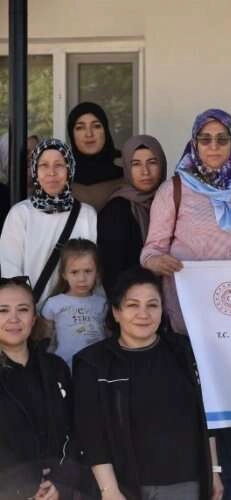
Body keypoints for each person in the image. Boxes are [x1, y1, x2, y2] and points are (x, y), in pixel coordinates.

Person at [140, 108, 231, 499]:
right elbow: (150, 250)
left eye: (222, 139)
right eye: (205, 139)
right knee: (199, 411)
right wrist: (159, 262)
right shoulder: (174, 190)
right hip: (190, 322)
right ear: (194, 143)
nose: (214, 146)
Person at [73, 267, 223, 500]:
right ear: (116, 312)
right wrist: (109, 490)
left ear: (162, 310)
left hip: (183, 482)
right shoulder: (93, 362)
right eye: (133, 305)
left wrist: (214, 470)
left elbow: (207, 415)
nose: (143, 314)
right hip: (123, 487)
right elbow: (91, 432)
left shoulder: (183, 351)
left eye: (152, 305)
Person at [0, 276, 73, 500]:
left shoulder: (56, 368)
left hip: (59, 489)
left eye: (23, 309)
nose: (13, 318)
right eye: (3, 310)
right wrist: (24, 485)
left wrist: (60, 483)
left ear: (33, 318)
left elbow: (74, 429)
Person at [0, 139, 97, 305]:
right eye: (44, 165)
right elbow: (11, 271)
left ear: (70, 169)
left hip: (73, 313)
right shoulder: (21, 214)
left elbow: (91, 269)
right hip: (32, 312)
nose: (51, 172)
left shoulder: (86, 214)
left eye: (59, 165)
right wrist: (28, 311)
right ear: (35, 170)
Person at [98, 135, 167, 295]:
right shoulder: (116, 209)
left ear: (162, 164)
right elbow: (112, 272)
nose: (145, 171)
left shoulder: (172, 202)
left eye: (152, 162)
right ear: (127, 168)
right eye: (136, 164)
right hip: (132, 301)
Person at [40, 238, 106, 370]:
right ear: (64, 274)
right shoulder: (54, 304)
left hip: (97, 369)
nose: (82, 279)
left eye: (88, 271)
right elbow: (46, 339)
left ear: (97, 272)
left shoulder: (102, 303)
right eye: (74, 272)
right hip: (65, 369)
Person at [67, 102, 125, 211]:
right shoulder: (59, 177)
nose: (89, 134)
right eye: (80, 128)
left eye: (96, 126)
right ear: (71, 134)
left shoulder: (127, 174)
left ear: (106, 131)